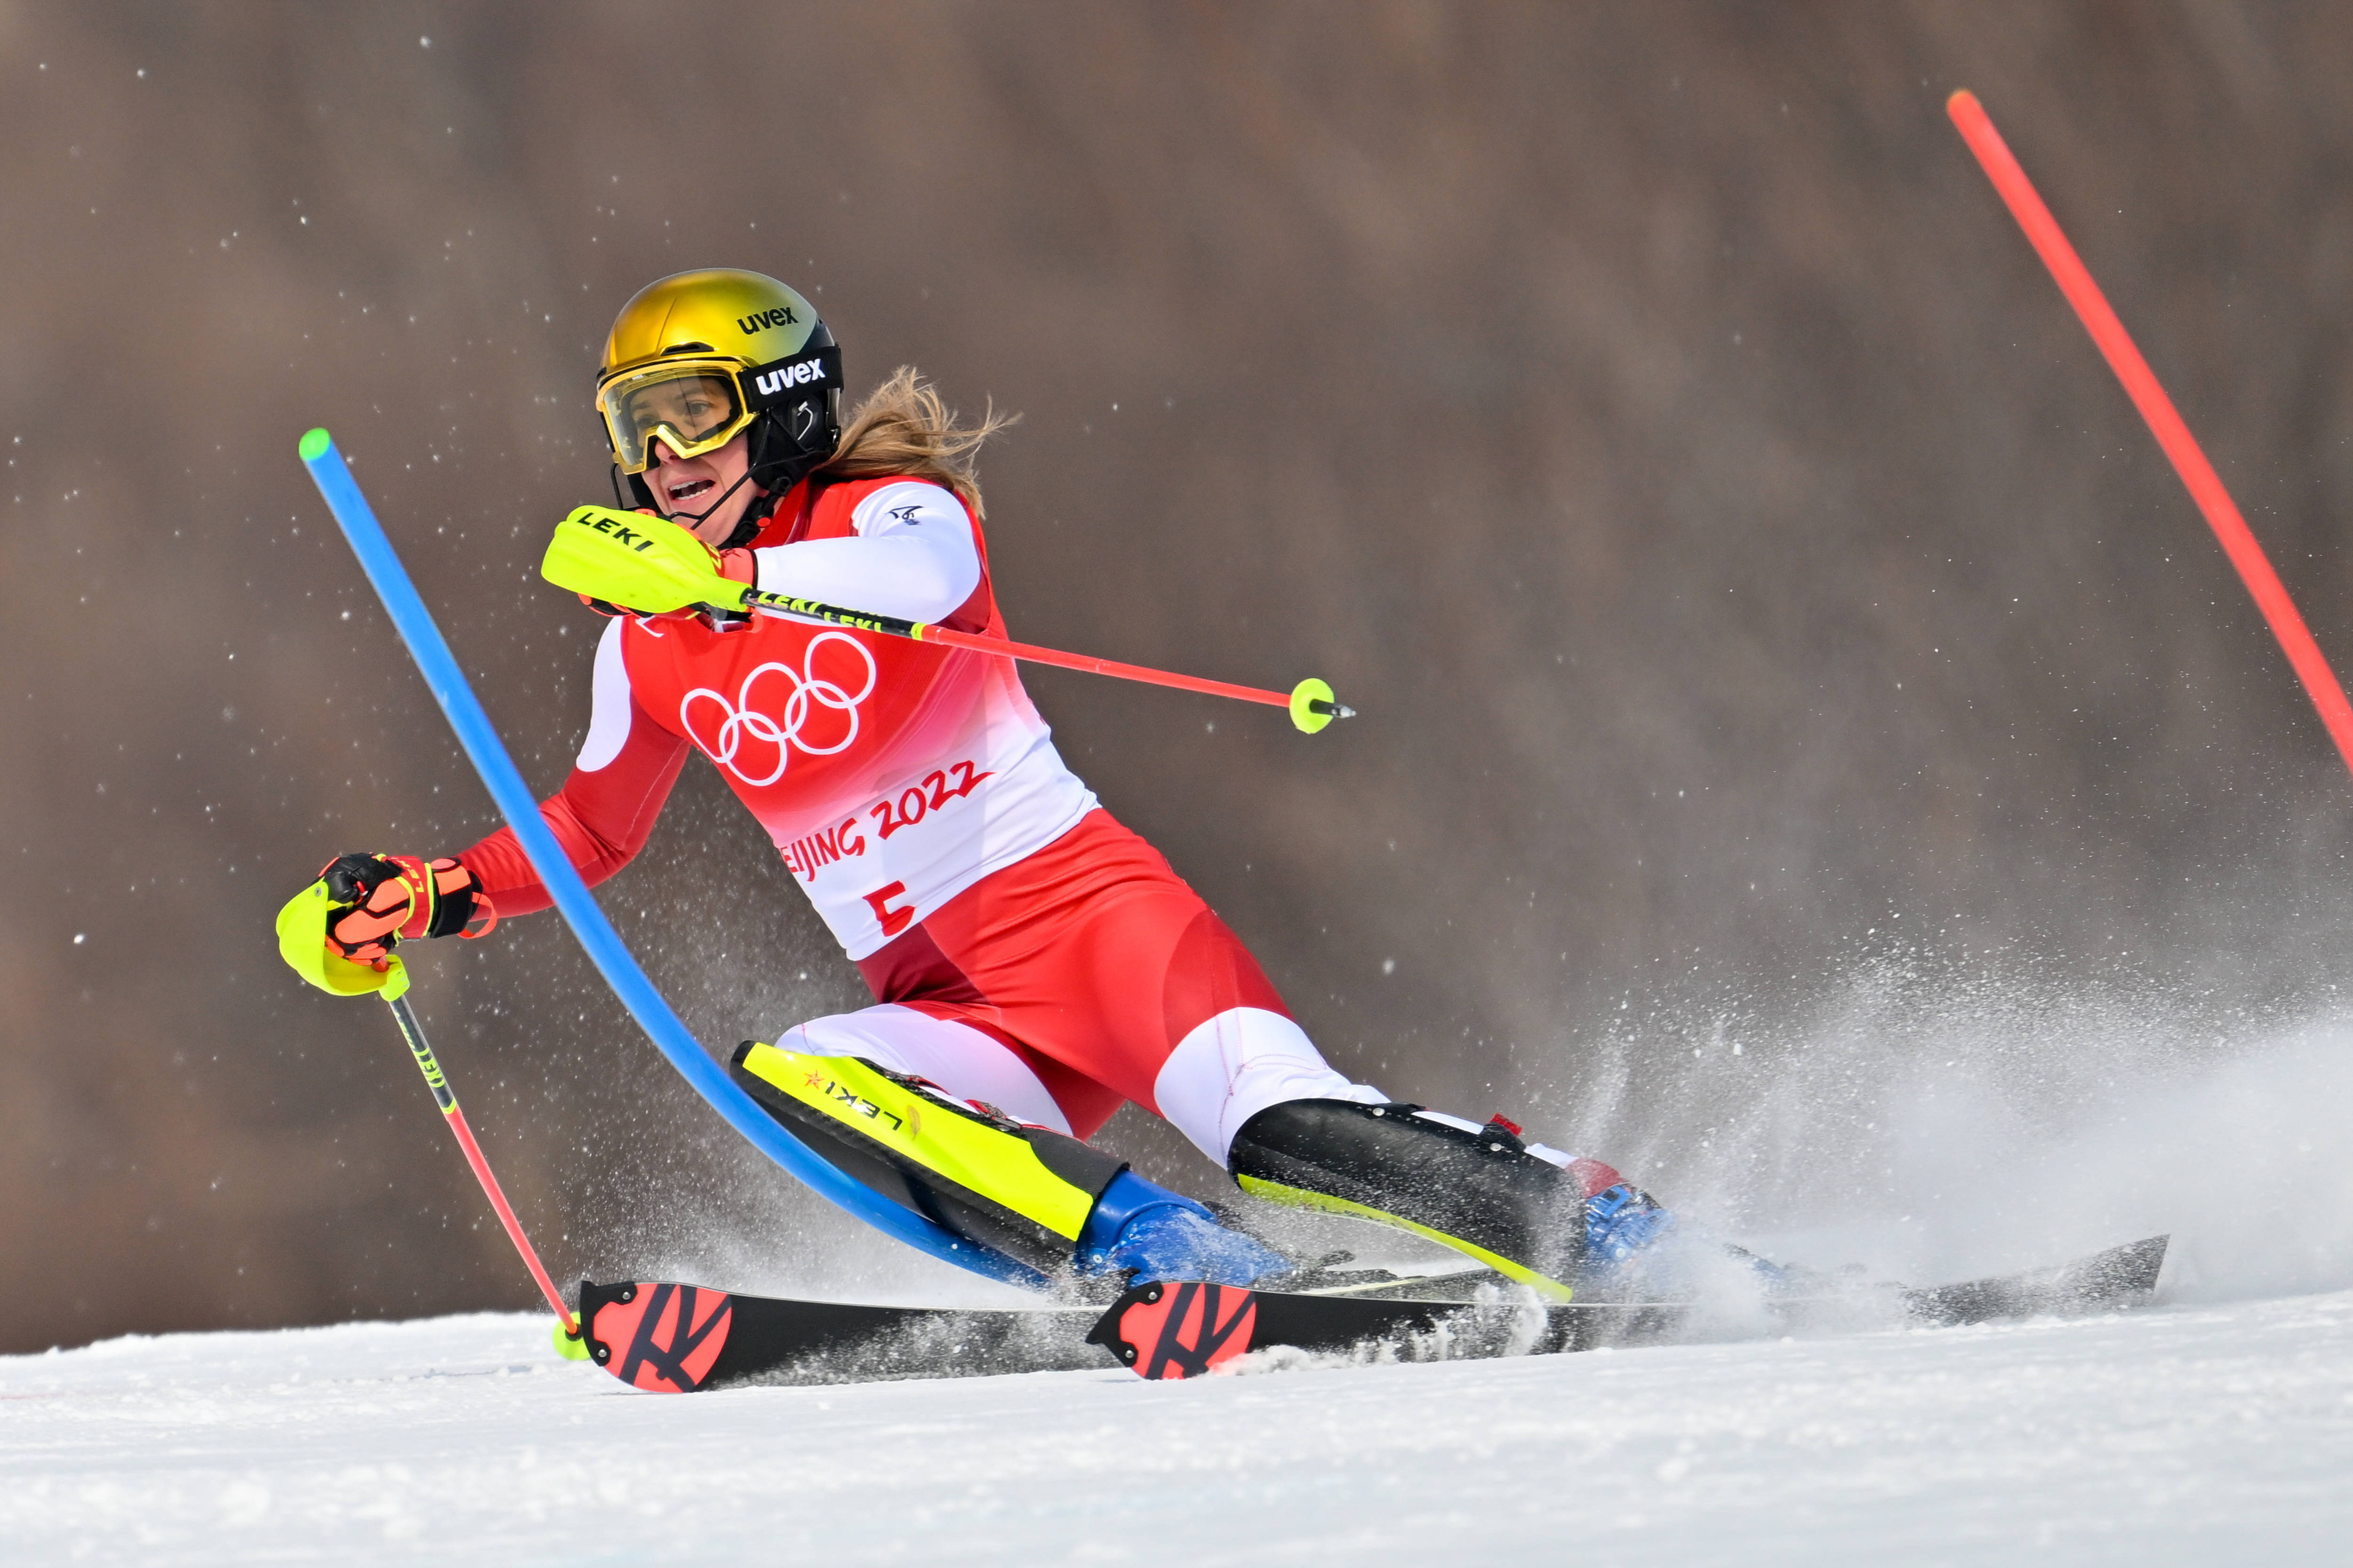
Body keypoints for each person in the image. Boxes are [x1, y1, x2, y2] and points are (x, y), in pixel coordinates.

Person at [277, 268, 1673, 1296]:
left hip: (1098, 929)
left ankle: (1589, 1222)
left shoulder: (883, 512)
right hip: (947, 1005)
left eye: (689, 417)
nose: (658, 462)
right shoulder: (645, 644)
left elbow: (921, 579)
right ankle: (1160, 1253)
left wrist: (733, 574)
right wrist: (432, 897)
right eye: (632, 430)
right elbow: (588, 830)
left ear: (775, 409)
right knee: (807, 1076)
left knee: (1282, 1129)